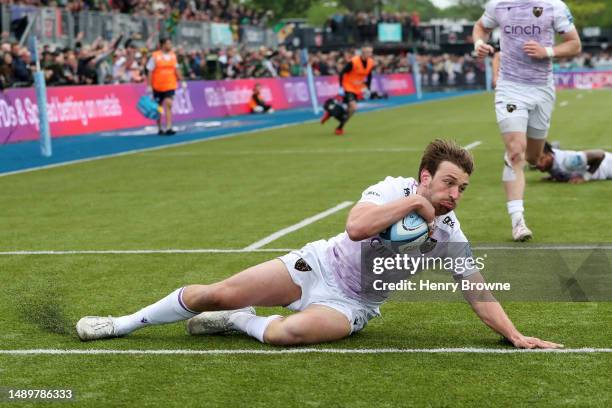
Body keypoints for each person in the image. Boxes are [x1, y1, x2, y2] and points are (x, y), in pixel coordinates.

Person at [76, 140, 561, 350]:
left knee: (288, 335)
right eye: (449, 184)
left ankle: (239, 321)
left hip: (353, 304)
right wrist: (414, 205)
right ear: (424, 176)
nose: (455, 195)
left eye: (463, 189)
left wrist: (514, 334)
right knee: (214, 291)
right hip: (316, 266)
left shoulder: (449, 233)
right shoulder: (393, 188)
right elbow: (355, 226)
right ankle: (119, 325)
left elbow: (477, 287)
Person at [472, 0, 581, 241]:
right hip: (510, 87)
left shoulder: (554, 6)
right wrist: (479, 43)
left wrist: (548, 51)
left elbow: (575, 44)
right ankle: (518, 222)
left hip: (542, 89)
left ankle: (531, 154)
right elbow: (480, 27)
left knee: (532, 157)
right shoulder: (498, 4)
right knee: (515, 152)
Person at [321, 45, 375, 136]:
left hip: (358, 87)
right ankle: (337, 124)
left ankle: (334, 118)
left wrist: (368, 88)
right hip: (348, 85)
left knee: (351, 110)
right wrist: (341, 86)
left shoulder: (371, 62)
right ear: (362, 52)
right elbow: (342, 73)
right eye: (367, 52)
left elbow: (369, 75)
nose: (369, 54)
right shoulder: (354, 61)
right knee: (353, 107)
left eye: (370, 52)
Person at [146, 38, 186, 136]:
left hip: (170, 84)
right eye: (168, 43)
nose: (170, 45)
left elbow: (176, 69)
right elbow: (150, 71)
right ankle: (159, 128)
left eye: (170, 43)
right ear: (163, 45)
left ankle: (169, 127)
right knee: (158, 107)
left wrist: (182, 80)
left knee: (168, 103)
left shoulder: (173, 56)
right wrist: (149, 86)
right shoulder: (155, 56)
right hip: (158, 85)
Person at [535, 142, 612, 183]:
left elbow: (600, 154)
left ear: (549, 155)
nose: (538, 164)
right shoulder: (550, 161)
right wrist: (555, 176)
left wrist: (585, 178)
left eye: (542, 159)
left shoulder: (569, 161)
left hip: (608, 167)